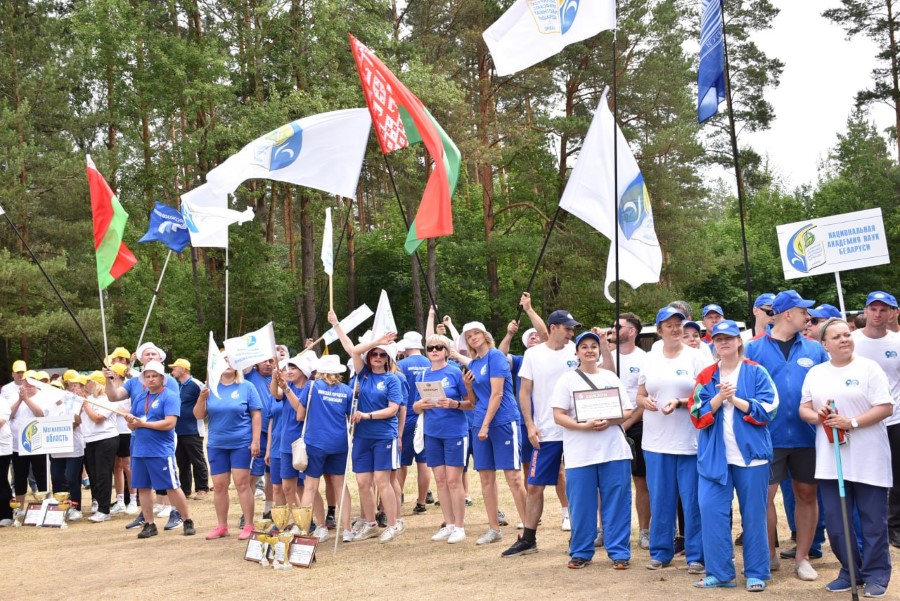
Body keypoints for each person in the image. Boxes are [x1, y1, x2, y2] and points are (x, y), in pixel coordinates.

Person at [799, 318, 894, 598]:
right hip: (831, 460)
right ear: (824, 344)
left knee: (873, 522)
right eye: (837, 337)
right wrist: (818, 416)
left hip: (869, 457)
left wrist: (850, 422)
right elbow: (804, 409)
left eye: (847, 335)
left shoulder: (869, 368)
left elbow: (885, 407)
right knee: (837, 523)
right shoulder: (816, 373)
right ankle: (850, 571)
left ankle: (876, 575)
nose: (844, 340)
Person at [745, 290, 828, 581]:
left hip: (807, 436)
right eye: (803, 311)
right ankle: (769, 554)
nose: (808, 316)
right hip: (767, 437)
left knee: (807, 494)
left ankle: (803, 558)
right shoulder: (753, 348)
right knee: (764, 497)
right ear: (788, 314)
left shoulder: (815, 349)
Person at [690, 320, 778, 591]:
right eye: (718, 339)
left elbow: (770, 408)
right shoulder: (706, 375)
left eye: (729, 338)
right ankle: (720, 573)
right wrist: (719, 399)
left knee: (754, 515)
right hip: (714, 457)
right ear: (713, 344)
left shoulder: (756, 371)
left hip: (752, 457)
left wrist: (735, 400)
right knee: (711, 511)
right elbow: (696, 414)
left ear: (739, 341)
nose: (724, 342)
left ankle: (757, 572)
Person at [551, 331, 634, 569]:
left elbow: (628, 410)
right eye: (584, 347)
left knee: (617, 502)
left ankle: (619, 552)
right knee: (581, 505)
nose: (589, 350)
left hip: (614, 451)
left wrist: (610, 420)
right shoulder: (567, 380)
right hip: (580, 453)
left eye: (593, 346)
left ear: (599, 351)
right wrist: (583, 426)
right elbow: (558, 415)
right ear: (577, 352)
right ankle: (581, 552)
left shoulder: (610, 377)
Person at [502, 309, 578, 558]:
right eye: (567, 328)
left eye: (572, 329)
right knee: (534, 486)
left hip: (577, 430)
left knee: (579, 485)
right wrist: (530, 424)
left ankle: (582, 536)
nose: (571, 333)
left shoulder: (576, 350)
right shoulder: (533, 354)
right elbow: (524, 392)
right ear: (553, 327)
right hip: (546, 431)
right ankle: (528, 539)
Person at [636, 306, 706, 573]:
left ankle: (696, 555)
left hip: (690, 441)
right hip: (656, 442)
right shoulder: (650, 358)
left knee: (692, 501)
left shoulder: (696, 356)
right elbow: (639, 395)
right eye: (669, 325)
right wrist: (645, 401)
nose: (675, 329)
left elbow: (705, 396)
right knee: (661, 499)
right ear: (659, 330)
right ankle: (660, 552)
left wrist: (680, 402)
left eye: (679, 324)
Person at [103, 361, 196, 538]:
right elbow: (132, 426)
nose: (151, 379)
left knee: (172, 486)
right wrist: (131, 422)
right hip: (139, 449)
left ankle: (187, 520)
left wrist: (142, 423)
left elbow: (170, 423)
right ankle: (149, 524)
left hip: (160, 450)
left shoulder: (170, 396)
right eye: (148, 376)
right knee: (143, 488)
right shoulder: (140, 397)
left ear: (162, 378)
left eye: (154, 376)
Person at [332, 321, 403, 543]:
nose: (378, 357)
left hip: (383, 435)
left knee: (382, 481)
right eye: (374, 354)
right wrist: (377, 341)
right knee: (363, 482)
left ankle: (392, 524)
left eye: (382, 354)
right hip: (362, 436)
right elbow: (354, 351)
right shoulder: (362, 374)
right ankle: (371, 524)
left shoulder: (392, 379)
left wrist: (367, 415)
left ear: (388, 358)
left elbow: (393, 409)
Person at [462, 321, 528, 546]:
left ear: (485, 335)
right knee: (486, 477)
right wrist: (468, 387)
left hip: (503, 421)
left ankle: (528, 530)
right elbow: (473, 402)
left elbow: (497, 394)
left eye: (476, 333)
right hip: (480, 422)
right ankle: (494, 528)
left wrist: (485, 425)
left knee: (513, 477)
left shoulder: (497, 357)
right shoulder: (473, 363)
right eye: (469, 336)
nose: (473, 337)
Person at [850, 291, 900, 548]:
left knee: (896, 474)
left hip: (894, 418)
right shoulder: (852, 341)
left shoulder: (897, 342)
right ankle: (862, 526)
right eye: (873, 309)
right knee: (863, 474)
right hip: (859, 419)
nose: (878, 314)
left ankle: (894, 526)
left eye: (884, 309)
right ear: (866, 311)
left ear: (892, 312)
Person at [413, 334, 471, 544]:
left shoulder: (455, 372)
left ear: (446, 351)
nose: (434, 350)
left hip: (454, 432)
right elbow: (415, 406)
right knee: (440, 480)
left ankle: (460, 526)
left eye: (439, 347)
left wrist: (454, 404)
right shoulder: (422, 374)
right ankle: (449, 524)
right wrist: (421, 405)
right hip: (432, 433)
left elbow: (471, 402)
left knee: (454, 480)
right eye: (430, 348)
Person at [194, 357, 261, 540]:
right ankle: (222, 526)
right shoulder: (210, 388)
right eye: (223, 361)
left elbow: (256, 414)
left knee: (242, 483)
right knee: (219, 486)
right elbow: (198, 415)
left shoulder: (247, 387)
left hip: (241, 443)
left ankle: (249, 525)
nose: (227, 365)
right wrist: (201, 398)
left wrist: (255, 441)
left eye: (230, 361)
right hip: (217, 444)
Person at [296, 354, 354, 543]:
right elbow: (350, 418)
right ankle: (347, 530)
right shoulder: (347, 390)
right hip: (339, 443)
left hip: (316, 442)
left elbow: (300, 415)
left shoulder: (312, 386)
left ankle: (304, 531)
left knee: (310, 487)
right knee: (340, 486)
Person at [608, 312, 650, 550]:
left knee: (641, 480)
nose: (612, 329)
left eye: (618, 326)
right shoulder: (605, 355)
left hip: (636, 426)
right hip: (607, 426)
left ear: (632, 331)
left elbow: (643, 398)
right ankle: (604, 530)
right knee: (606, 482)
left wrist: (626, 424)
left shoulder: (645, 359)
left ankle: (645, 531)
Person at [396, 330, 432, 514]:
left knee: (401, 462)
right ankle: (421, 502)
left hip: (407, 415)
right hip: (426, 415)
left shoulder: (400, 365)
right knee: (423, 461)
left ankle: (397, 498)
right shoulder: (430, 362)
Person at [81, 371, 120, 522]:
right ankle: (99, 505)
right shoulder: (89, 398)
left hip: (106, 439)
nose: (86, 385)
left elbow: (98, 418)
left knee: (103, 474)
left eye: (89, 382)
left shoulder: (108, 399)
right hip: (89, 439)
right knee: (94, 475)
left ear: (96, 383)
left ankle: (104, 510)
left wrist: (85, 405)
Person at [9, 370, 49, 509]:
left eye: (31, 382)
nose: (28, 385)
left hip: (38, 443)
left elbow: (40, 414)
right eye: (26, 382)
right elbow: (9, 415)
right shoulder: (15, 396)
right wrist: (20, 400)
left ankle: (44, 505)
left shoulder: (43, 396)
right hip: (18, 444)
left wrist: (26, 399)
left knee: (41, 474)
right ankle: (19, 508)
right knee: (20, 476)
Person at [171, 359, 209, 502]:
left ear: (183, 369)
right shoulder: (176, 385)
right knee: (182, 461)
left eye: (175, 368)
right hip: (177, 430)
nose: (172, 370)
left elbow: (206, 401)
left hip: (193, 429)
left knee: (197, 459)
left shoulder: (196, 384)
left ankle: (202, 488)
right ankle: (185, 489)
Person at [49, 376, 85, 521]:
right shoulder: (48, 404)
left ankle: (76, 507)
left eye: (58, 388)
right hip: (55, 447)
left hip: (73, 446)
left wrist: (61, 429)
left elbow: (77, 421)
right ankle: (60, 507)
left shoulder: (73, 401)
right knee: (56, 477)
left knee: (71, 478)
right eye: (52, 388)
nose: (55, 391)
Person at [244, 358, 274, 515]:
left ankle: (269, 510)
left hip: (276, 432)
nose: (268, 364)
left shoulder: (278, 377)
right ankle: (246, 513)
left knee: (272, 475)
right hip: (258, 433)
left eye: (271, 361)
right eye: (264, 361)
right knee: (252, 475)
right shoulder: (250, 375)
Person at [109, 364, 138, 515]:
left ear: (118, 374)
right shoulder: (110, 389)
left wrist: (117, 411)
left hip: (126, 431)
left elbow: (133, 409)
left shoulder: (128, 388)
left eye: (113, 371)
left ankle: (133, 499)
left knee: (128, 466)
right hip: (113, 432)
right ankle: (120, 500)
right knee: (116, 466)